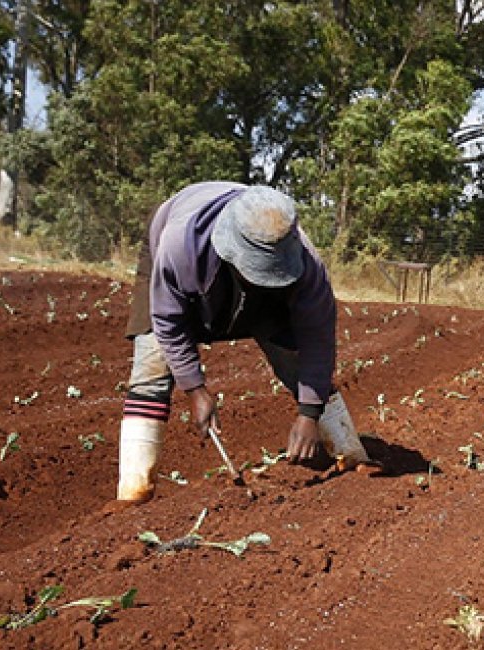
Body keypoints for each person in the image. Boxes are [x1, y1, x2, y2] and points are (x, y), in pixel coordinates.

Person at [116, 182, 370, 504]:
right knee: (152, 363)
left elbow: (317, 341)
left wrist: (309, 413)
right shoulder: (180, 245)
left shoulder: (306, 266)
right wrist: (195, 389)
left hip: (264, 282)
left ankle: (350, 455)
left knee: (294, 356)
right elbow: (169, 320)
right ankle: (133, 494)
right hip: (178, 245)